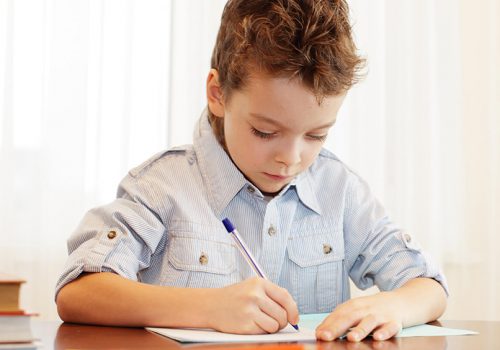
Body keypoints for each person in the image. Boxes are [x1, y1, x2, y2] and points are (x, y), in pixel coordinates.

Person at [55, 0, 448, 342]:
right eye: (265, 131)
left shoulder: (339, 189)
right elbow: (78, 292)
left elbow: (430, 288)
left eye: (316, 135)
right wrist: (209, 308)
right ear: (217, 94)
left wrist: (395, 306)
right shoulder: (163, 186)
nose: (290, 159)